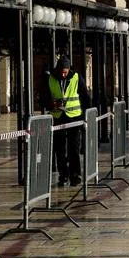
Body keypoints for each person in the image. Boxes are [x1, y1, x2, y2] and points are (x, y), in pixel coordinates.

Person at [40, 56, 90, 187]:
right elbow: (44, 98)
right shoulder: (50, 78)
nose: (63, 74)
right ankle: (63, 175)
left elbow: (85, 96)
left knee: (74, 148)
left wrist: (87, 115)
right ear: (57, 70)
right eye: (62, 71)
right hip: (58, 117)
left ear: (69, 70)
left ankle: (76, 175)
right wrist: (52, 105)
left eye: (66, 72)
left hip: (74, 117)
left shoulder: (76, 77)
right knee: (59, 149)